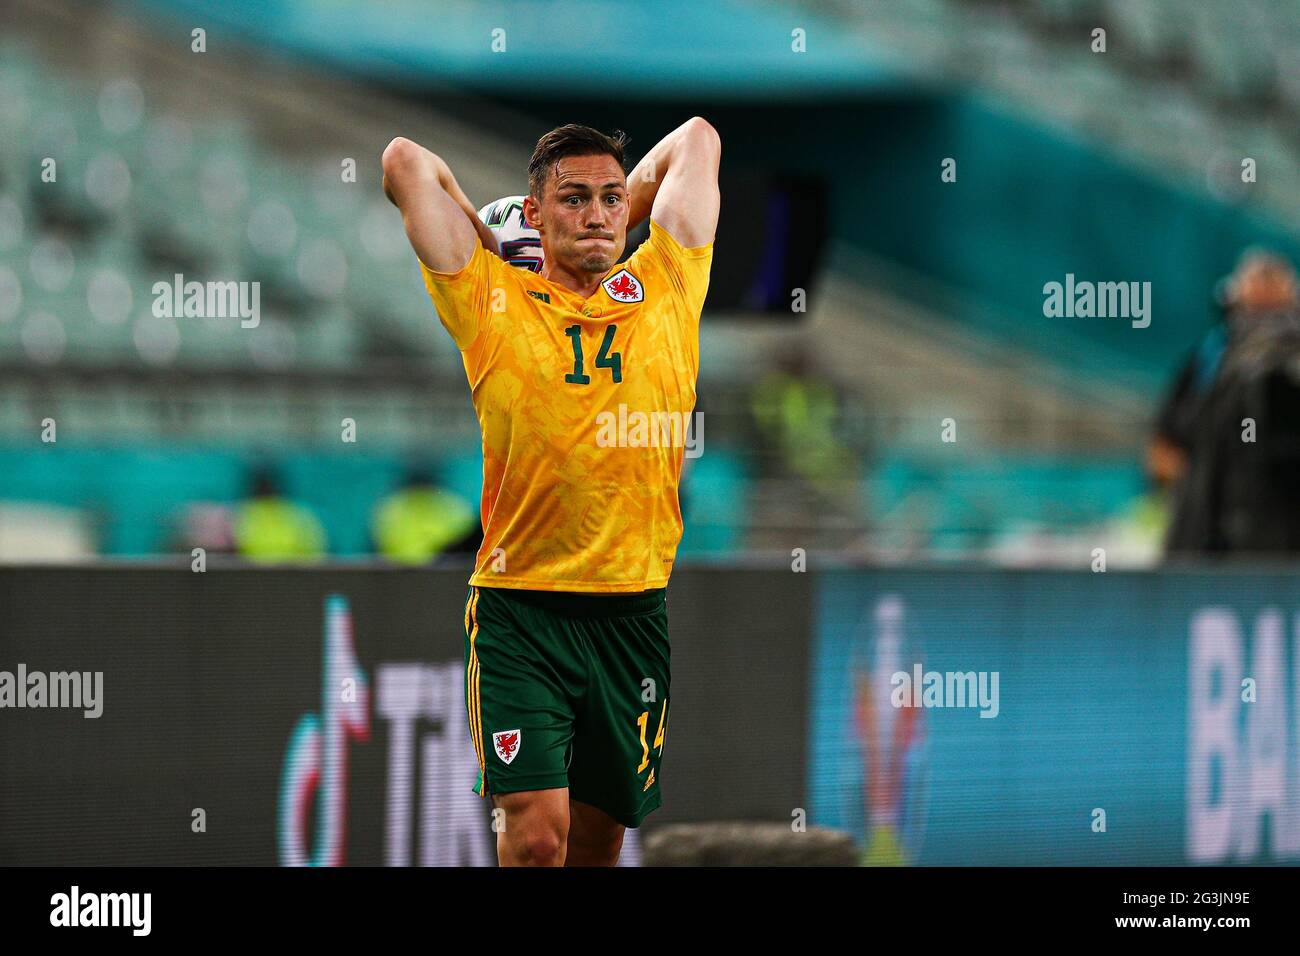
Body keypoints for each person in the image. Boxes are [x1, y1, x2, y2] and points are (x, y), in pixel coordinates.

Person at [381, 118, 720, 865]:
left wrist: (618, 207)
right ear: (533, 212)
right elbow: (406, 161)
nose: (597, 214)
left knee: (596, 848)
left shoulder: (669, 282)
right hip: (521, 615)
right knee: (537, 839)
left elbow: (697, 138)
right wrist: (491, 234)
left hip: (633, 612)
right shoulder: (490, 298)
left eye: (608, 199)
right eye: (573, 200)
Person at [1163, 249, 1300, 555]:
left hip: (1263, 547)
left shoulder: (1269, 364)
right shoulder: (1214, 356)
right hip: (1215, 537)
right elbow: (1169, 443)